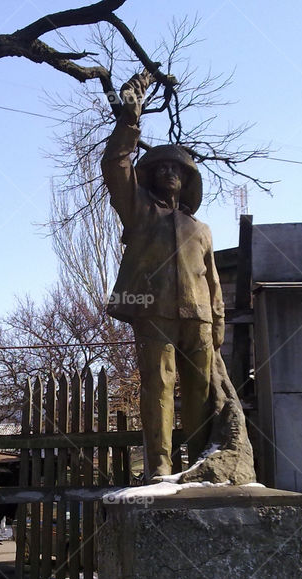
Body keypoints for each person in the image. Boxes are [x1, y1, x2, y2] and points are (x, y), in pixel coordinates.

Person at [101, 70, 226, 480]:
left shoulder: (201, 229)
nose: (170, 172)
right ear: (151, 174)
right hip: (154, 312)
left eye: (178, 168)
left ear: (188, 179)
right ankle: (159, 467)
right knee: (158, 391)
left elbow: (213, 280)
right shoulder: (139, 211)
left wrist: (219, 322)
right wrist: (129, 121)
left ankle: (202, 465)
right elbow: (116, 164)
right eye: (161, 167)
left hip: (200, 319)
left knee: (200, 396)